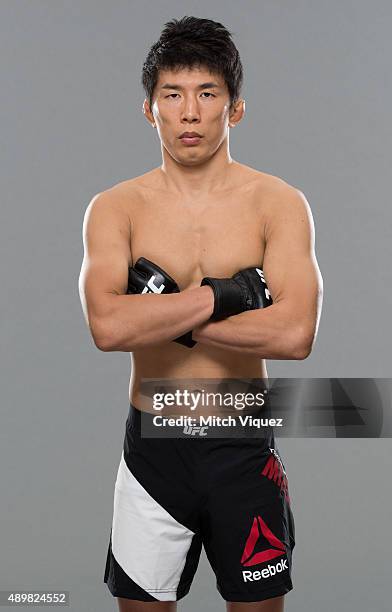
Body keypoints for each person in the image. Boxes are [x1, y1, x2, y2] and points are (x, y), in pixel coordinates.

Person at [78, 15, 323, 612]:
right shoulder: (115, 209)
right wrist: (227, 294)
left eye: (207, 94)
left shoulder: (278, 204)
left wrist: (163, 313)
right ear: (149, 109)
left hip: (242, 444)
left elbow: (295, 334)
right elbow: (107, 327)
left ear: (234, 109)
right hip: (154, 450)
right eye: (172, 95)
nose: (189, 112)